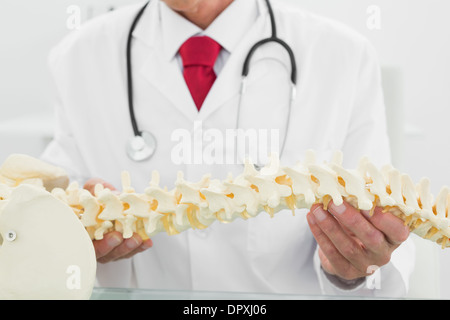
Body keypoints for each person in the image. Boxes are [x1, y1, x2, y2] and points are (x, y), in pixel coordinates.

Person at [42, 0, 415, 297]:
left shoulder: (342, 56)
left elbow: (381, 252)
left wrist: (352, 273)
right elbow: (42, 218)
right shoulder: (76, 58)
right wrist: (67, 238)